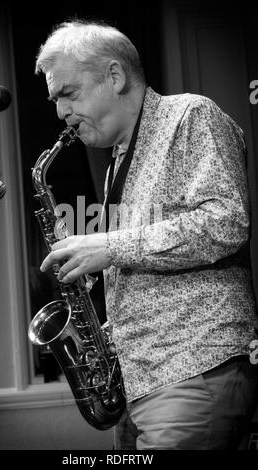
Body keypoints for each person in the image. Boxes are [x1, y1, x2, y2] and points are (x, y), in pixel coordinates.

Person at [36, 19, 258, 450]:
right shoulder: (118, 157)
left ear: (114, 76)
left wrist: (109, 246)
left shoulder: (190, 116)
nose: (61, 112)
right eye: (55, 99)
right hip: (139, 383)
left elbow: (227, 221)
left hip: (194, 369)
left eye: (68, 93)